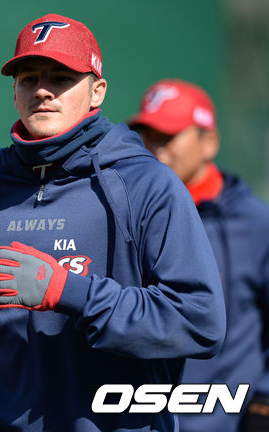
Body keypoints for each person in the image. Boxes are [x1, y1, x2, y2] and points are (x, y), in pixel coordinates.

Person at [0, 13, 227, 432]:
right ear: (14, 93)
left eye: (61, 78)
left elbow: (200, 321)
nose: (42, 90)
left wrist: (68, 291)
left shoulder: (147, 185)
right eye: (28, 78)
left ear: (97, 91)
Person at [128, 79, 269, 432]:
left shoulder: (255, 224)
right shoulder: (128, 217)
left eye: (168, 136)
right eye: (148, 136)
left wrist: (265, 402)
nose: (156, 148)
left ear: (210, 142)